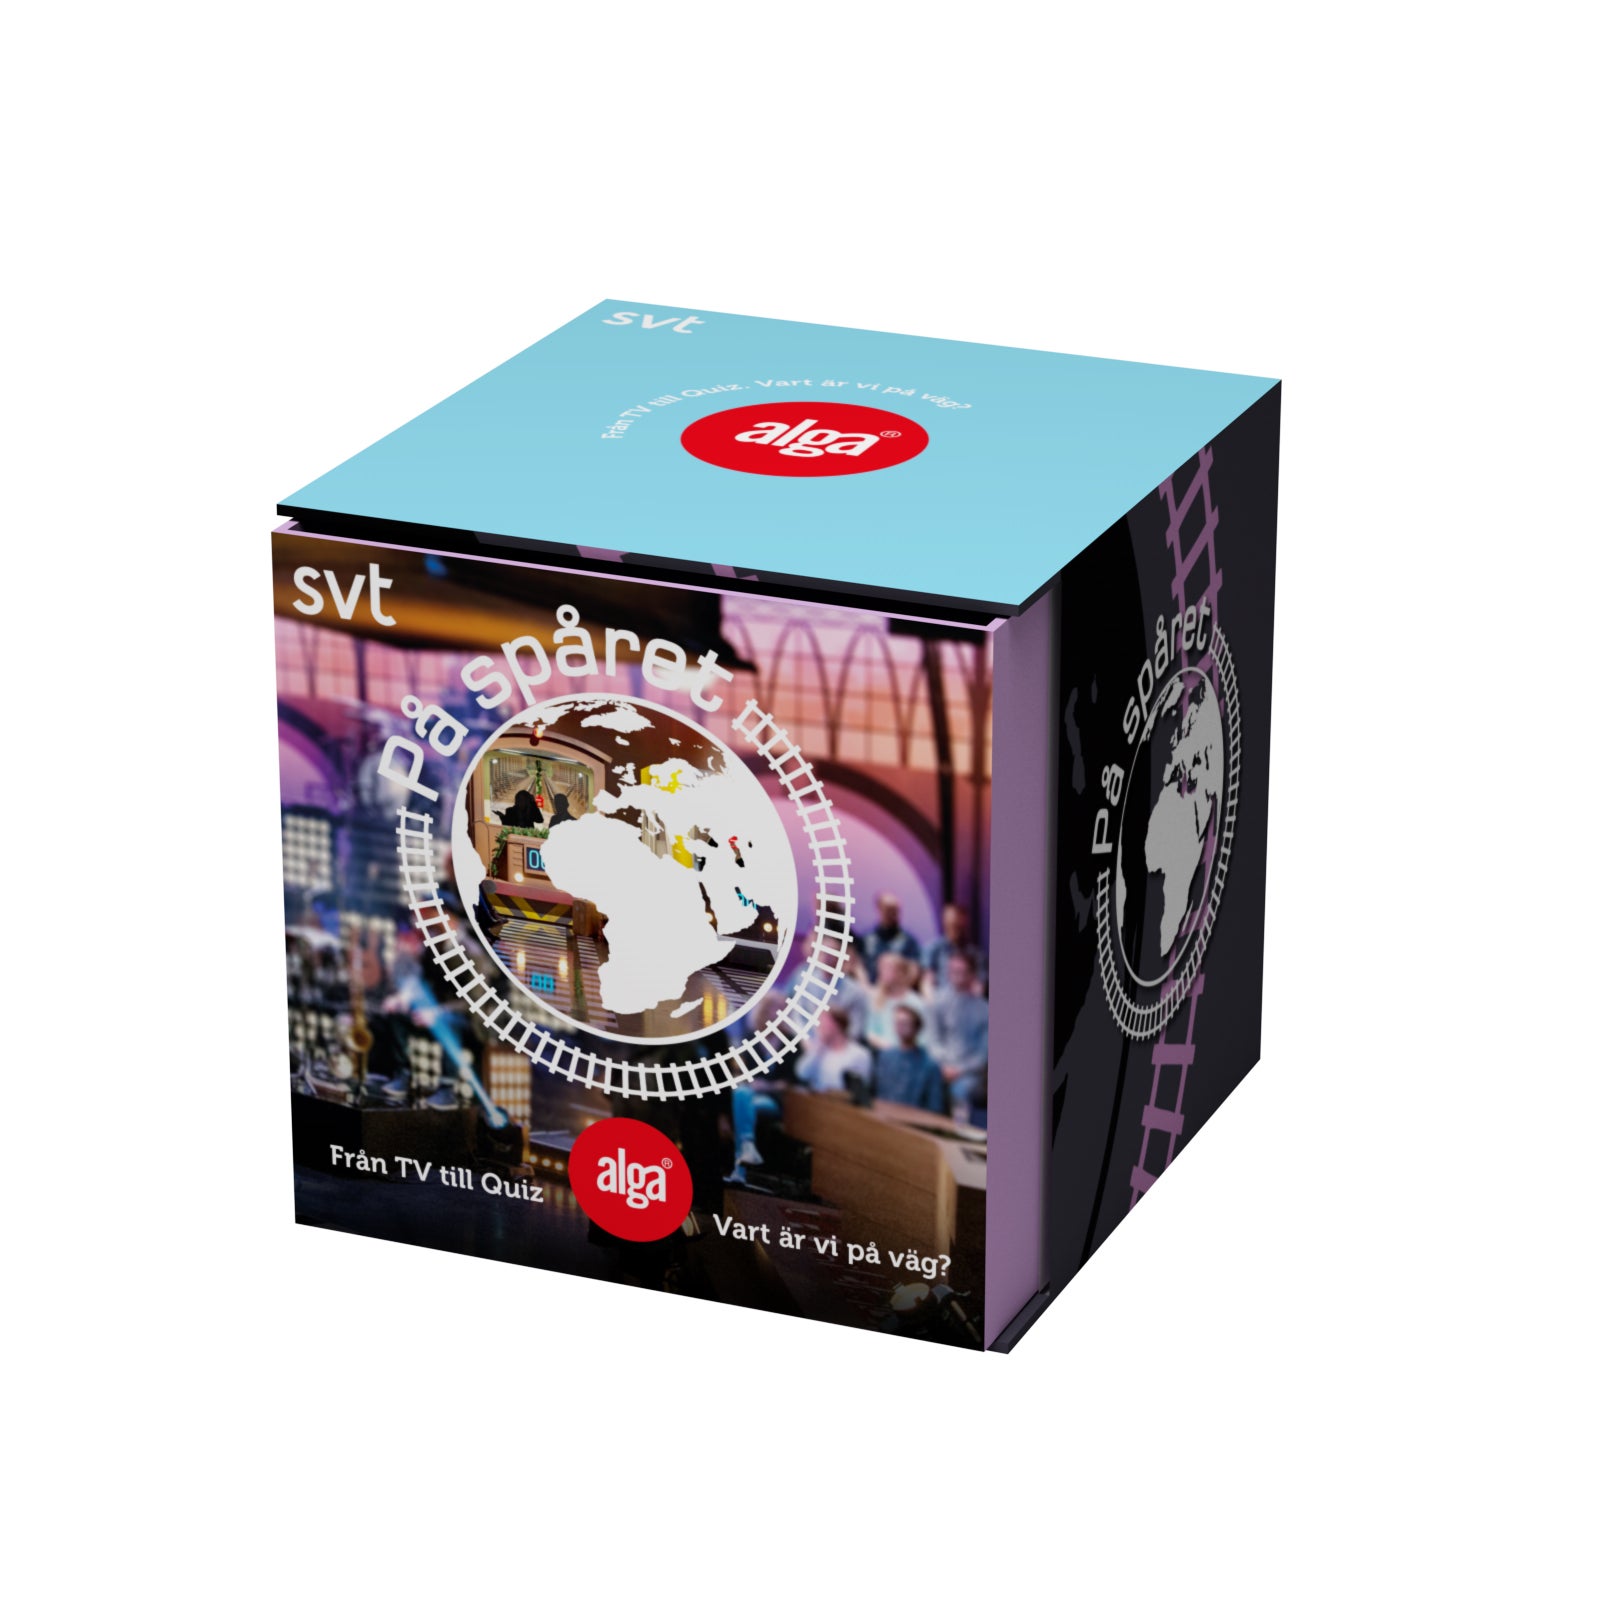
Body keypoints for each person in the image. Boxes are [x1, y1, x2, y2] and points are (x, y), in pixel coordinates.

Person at [925, 949, 989, 1126]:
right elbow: (933, 1040)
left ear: (972, 974)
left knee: (961, 1089)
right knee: (925, 1078)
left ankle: (959, 1131)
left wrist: (959, 1070)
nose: (957, 976)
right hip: (940, 1065)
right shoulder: (937, 1002)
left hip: (968, 1072)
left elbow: (983, 1054)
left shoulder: (985, 1010)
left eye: (962, 972)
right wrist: (944, 1065)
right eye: (953, 971)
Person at [872, 1005, 947, 1113]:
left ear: (916, 1027)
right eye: (898, 1023)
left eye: (905, 1023)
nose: (901, 1027)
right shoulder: (884, 1057)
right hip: (881, 1115)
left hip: (912, 1118)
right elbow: (875, 1092)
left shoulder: (929, 1065)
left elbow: (934, 1106)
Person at [796, 1006, 873, 1094]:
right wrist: (818, 1048)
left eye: (823, 1021)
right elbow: (802, 1074)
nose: (819, 1026)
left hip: (840, 1100)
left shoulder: (860, 1054)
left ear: (836, 1024)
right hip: (816, 1098)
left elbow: (860, 1088)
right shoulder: (819, 1051)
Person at [922, 903, 987, 995]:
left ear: (965, 924)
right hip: (940, 998)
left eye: (958, 925)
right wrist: (933, 1002)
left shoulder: (976, 954)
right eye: (951, 924)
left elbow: (979, 986)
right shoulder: (933, 949)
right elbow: (927, 982)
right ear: (944, 923)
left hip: (966, 999)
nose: (954, 929)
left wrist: (972, 1001)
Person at [865, 951, 924, 1053]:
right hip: (883, 1053)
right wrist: (888, 1048)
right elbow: (870, 1032)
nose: (881, 972)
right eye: (880, 968)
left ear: (900, 973)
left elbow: (923, 1036)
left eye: (887, 969)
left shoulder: (916, 1002)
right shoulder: (876, 1000)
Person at [858, 892, 922, 982]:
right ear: (879, 909)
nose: (892, 914)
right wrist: (866, 987)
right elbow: (858, 967)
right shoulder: (866, 940)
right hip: (871, 987)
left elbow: (914, 969)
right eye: (888, 910)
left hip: (899, 987)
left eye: (895, 910)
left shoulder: (909, 941)